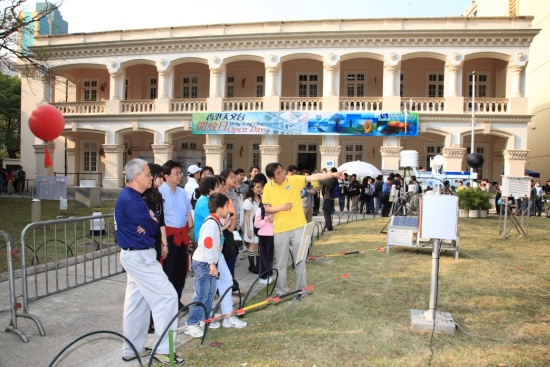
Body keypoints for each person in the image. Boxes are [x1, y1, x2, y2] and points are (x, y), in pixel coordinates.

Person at [115, 158, 183, 365]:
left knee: (137, 303)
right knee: (168, 297)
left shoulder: (135, 197)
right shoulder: (131, 199)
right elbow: (152, 226)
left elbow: (152, 224)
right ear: (136, 177)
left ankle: (131, 348)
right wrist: (151, 220)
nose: (150, 177)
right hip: (139, 256)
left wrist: (151, 221)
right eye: (147, 174)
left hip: (138, 254)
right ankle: (163, 349)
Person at [262, 162, 345, 298]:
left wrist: (332, 174)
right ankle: (282, 291)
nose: (282, 174)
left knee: (300, 260)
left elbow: (313, 177)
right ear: (272, 177)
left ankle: (302, 290)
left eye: (282, 170)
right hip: (280, 230)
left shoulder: (294, 180)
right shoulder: (268, 187)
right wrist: (280, 208)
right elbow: (266, 208)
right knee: (281, 263)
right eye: (278, 173)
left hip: (298, 228)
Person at [193, 175, 248, 329]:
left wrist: (228, 219)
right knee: (203, 290)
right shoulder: (205, 204)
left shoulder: (214, 206)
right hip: (207, 256)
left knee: (225, 281)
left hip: (216, 253)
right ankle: (196, 320)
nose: (222, 188)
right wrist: (228, 218)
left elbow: (224, 224)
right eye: (219, 185)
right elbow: (212, 233)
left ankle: (227, 316)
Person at [183, 193, 228, 338]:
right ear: (219, 208)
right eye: (226, 206)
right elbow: (207, 244)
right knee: (201, 294)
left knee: (209, 293)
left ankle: (205, 319)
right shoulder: (210, 223)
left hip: (209, 262)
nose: (228, 209)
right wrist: (212, 264)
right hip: (203, 263)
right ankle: (192, 323)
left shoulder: (216, 222)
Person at [159, 160, 194, 310]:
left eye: (181, 173)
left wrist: (191, 235)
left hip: (183, 235)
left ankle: (177, 299)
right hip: (169, 236)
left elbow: (188, 215)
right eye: (176, 173)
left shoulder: (182, 193)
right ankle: (167, 303)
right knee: (168, 270)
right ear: (166, 176)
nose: (180, 176)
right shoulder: (160, 193)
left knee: (181, 270)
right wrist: (163, 242)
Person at [142, 163, 169, 334]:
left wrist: (165, 243)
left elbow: (161, 221)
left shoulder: (157, 196)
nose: (160, 179)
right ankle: (147, 321)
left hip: (157, 241)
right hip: (146, 243)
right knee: (147, 285)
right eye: (159, 176)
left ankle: (153, 320)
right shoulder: (143, 197)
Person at [243, 179, 263, 274]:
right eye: (257, 187)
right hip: (251, 225)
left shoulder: (263, 198)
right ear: (252, 188)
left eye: (260, 187)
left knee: (259, 245)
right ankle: (252, 266)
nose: (259, 189)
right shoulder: (248, 201)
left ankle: (259, 265)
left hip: (261, 225)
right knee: (253, 244)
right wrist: (248, 230)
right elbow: (247, 216)